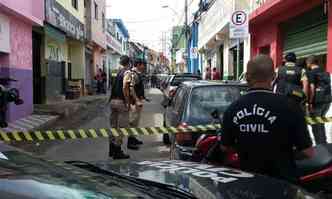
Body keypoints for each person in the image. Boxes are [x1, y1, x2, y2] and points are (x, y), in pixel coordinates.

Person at [222, 54, 314, 183]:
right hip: (284, 185)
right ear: (274, 76)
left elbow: (225, 147)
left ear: (247, 77)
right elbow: (308, 152)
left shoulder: (232, 109)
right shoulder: (291, 107)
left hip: (248, 184)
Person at [109, 55, 138, 159]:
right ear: (129, 63)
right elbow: (125, 86)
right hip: (121, 102)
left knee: (113, 126)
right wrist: (127, 102)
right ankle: (117, 150)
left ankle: (111, 149)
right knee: (122, 128)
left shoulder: (116, 72)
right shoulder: (127, 72)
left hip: (113, 101)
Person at [306, 55, 331, 144]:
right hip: (327, 102)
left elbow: (312, 87)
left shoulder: (311, 73)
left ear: (309, 63)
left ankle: (320, 147)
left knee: (315, 125)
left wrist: (310, 102)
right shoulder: (326, 73)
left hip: (317, 102)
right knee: (321, 122)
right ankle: (324, 143)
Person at [127, 58, 147, 146]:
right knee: (133, 122)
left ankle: (133, 138)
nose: (144, 67)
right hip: (134, 102)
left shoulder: (137, 74)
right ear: (138, 65)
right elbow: (131, 88)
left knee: (136, 122)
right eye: (143, 65)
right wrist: (137, 100)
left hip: (137, 101)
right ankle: (130, 141)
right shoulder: (133, 74)